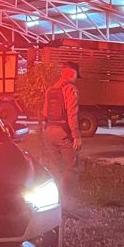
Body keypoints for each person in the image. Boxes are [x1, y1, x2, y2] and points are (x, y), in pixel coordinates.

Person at [41, 61, 81, 200]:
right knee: (72, 166)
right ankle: (67, 198)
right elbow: (72, 114)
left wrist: (45, 131)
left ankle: (55, 198)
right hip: (63, 133)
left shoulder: (50, 89)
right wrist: (76, 136)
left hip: (49, 132)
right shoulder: (70, 89)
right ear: (73, 74)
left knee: (55, 168)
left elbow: (45, 113)